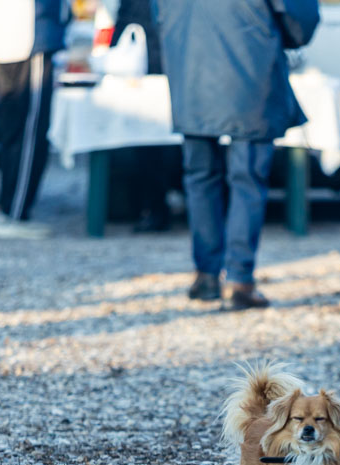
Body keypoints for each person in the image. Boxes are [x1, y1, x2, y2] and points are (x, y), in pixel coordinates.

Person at [153, 0, 320, 310]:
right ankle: (239, 279)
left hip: (189, 69)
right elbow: (301, 16)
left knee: (200, 176)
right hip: (250, 67)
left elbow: (158, 14)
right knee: (248, 179)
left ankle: (206, 276)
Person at [0, 0, 70, 240]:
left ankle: (10, 210)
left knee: (13, 133)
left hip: (4, 36)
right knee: (31, 133)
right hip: (29, 37)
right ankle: (15, 213)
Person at [111, 0, 175, 233]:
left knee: (153, 143)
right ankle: (153, 207)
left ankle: (154, 208)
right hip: (150, 66)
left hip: (159, 64)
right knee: (151, 143)